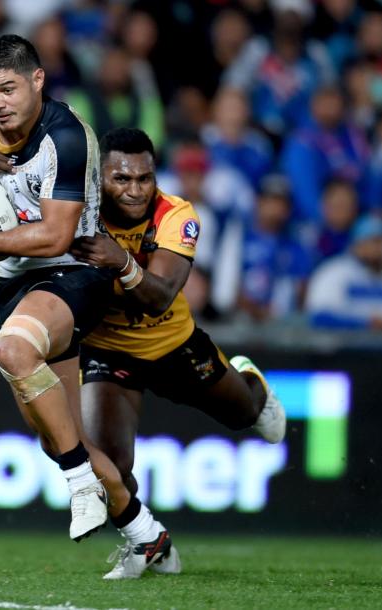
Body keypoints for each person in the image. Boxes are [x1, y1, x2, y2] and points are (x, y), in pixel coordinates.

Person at [0, 35, 166, 565]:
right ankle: (147, 534)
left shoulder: (66, 138)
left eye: (9, 89)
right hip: (15, 283)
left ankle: (79, 485)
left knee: (13, 350)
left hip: (74, 275)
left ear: (38, 81)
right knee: (55, 434)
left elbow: (55, 237)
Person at [70, 127, 286, 578]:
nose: (134, 190)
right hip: (107, 352)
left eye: (144, 179)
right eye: (121, 179)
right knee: (110, 466)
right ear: (98, 177)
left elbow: (160, 295)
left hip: (173, 345)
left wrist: (121, 261)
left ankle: (252, 382)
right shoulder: (74, 210)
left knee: (245, 415)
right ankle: (148, 543)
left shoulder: (177, 214)